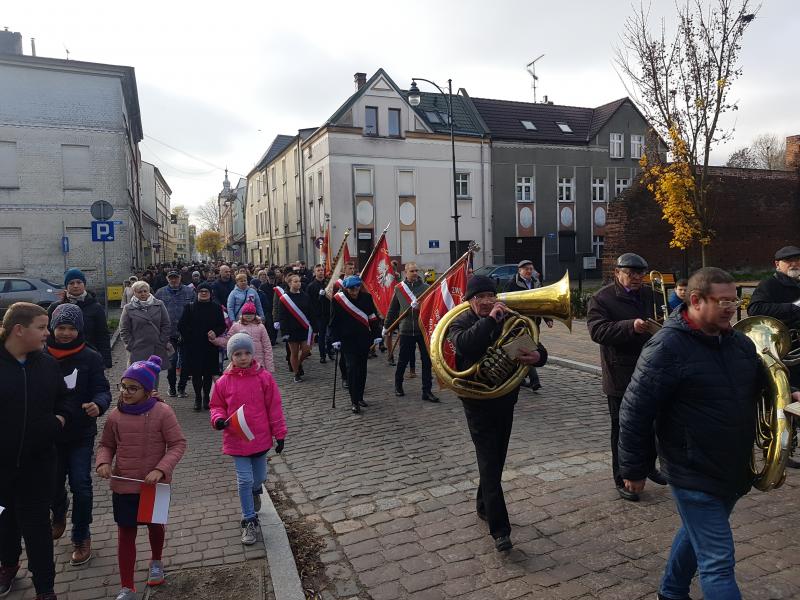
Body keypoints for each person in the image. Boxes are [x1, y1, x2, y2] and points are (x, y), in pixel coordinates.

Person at [619, 267, 793, 600]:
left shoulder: (740, 343)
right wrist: (633, 468)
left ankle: (671, 591)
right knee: (717, 560)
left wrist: (791, 394)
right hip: (692, 470)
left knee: (695, 533)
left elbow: (758, 384)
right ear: (696, 301)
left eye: (735, 300)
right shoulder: (665, 347)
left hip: (732, 467)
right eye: (723, 301)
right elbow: (635, 411)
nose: (732, 307)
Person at [447, 276, 548, 552]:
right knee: (490, 461)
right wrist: (490, 320)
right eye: (480, 297)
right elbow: (466, 345)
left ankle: (483, 504)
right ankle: (500, 530)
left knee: (497, 458)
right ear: (469, 300)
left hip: (505, 398)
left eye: (490, 295)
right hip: (477, 400)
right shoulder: (459, 322)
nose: (487, 301)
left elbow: (536, 346)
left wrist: (538, 356)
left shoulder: (509, 318)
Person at [95, 356, 187, 600]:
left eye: (132, 388)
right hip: (124, 486)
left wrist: (161, 469)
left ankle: (156, 560)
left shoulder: (163, 412)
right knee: (125, 533)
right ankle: (127, 587)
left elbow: (178, 444)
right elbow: (106, 444)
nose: (126, 392)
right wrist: (103, 462)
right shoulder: (115, 416)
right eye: (123, 386)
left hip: (153, 487)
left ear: (147, 390)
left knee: (155, 527)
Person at [0, 303, 71, 600]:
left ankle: (46, 589)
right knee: (4, 524)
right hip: (1, 468)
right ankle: (8, 563)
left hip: (38, 464)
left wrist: (59, 420)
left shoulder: (47, 364)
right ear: (19, 329)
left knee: (38, 530)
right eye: (41, 328)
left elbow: (63, 401)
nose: (47, 334)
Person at [586, 252, 666, 501]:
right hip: (621, 373)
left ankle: (646, 465)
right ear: (617, 273)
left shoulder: (651, 294)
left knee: (654, 423)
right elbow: (597, 331)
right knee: (622, 429)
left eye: (639, 274)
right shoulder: (602, 298)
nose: (636, 278)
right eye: (630, 274)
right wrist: (630, 326)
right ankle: (621, 477)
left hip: (652, 370)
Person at [46, 304, 111, 567]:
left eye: (71, 328)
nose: (65, 333)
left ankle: (81, 535)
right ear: (52, 327)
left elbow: (102, 390)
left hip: (80, 433)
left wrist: (99, 404)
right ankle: (58, 511)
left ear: (79, 329)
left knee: (82, 486)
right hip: (49, 435)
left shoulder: (90, 357)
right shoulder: (40, 356)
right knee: (51, 484)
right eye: (61, 327)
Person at [210, 333, 286, 545]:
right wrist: (218, 419)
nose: (242, 357)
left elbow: (274, 407)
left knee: (259, 477)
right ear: (230, 356)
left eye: (246, 353)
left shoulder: (264, 378)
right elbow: (216, 406)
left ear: (252, 354)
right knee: (244, 479)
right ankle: (249, 520)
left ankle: (255, 491)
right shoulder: (223, 382)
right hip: (236, 438)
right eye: (237, 354)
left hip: (260, 438)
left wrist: (279, 434)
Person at [384, 262, 438, 402]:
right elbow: (393, 309)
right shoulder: (399, 289)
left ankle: (427, 391)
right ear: (406, 272)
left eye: (416, 270)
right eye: (412, 271)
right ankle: (398, 385)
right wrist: (386, 326)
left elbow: (433, 308)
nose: (415, 273)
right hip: (406, 329)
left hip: (422, 329)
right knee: (403, 359)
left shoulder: (426, 288)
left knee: (427, 361)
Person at [329, 276, 382, 414]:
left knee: (362, 369)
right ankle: (354, 401)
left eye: (357, 287)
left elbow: (372, 317)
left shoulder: (367, 298)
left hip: (364, 339)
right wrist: (335, 339)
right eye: (351, 288)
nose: (354, 291)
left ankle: (360, 397)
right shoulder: (338, 300)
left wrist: (377, 334)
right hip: (347, 340)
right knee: (352, 368)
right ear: (346, 288)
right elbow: (334, 322)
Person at [504, 259, 553, 391]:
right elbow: (507, 304)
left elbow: (541, 303)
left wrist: (547, 318)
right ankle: (534, 380)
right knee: (526, 348)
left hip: (534, 324)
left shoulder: (537, 283)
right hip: (519, 324)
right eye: (526, 269)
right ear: (520, 271)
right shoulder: (512, 284)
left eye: (531, 269)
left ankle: (520, 377)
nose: (529, 271)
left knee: (527, 349)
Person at [48, 268, 112, 368]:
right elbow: (48, 333)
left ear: (84, 284)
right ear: (66, 286)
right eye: (71, 283)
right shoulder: (55, 307)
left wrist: (105, 361)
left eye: (79, 282)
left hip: (88, 358)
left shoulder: (95, 307)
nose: (75, 286)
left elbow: (102, 335)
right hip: (61, 358)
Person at [177, 282, 227, 410]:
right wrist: (190, 337)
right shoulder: (190, 307)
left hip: (210, 345)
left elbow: (222, 325)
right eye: (201, 291)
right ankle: (198, 398)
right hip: (194, 347)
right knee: (197, 374)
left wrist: (215, 332)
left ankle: (206, 398)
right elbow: (181, 325)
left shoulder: (216, 308)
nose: (204, 293)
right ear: (197, 293)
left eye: (206, 291)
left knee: (208, 373)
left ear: (210, 294)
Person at [154, 271, 195, 397]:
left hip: (186, 333)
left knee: (186, 362)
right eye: (171, 278)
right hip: (169, 334)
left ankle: (182, 388)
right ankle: (172, 387)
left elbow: (195, 311)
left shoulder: (189, 292)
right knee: (172, 362)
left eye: (175, 278)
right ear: (167, 279)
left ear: (180, 278)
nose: (173, 280)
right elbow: (155, 313)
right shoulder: (160, 293)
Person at [119, 282, 171, 378]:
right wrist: (130, 345)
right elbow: (124, 329)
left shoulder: (159, 304)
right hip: (138, 349)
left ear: (148, 291)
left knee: (153, 377)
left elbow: (166, 324)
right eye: (139, 292)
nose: (143, 294)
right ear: (134, 293)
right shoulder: (128, 308)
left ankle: (152, 393)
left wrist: (162, 341)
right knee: (137, 377)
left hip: (156, 347)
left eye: (145, 291)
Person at [210, 301, 273, 372]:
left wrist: (269, 367)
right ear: (242, 314)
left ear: (255, 315)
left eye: (251, 314)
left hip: (259, 363)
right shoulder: (236, 326)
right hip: (240, 362)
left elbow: (267, 347)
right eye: (246, 313)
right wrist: (215, 340)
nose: (248, 316)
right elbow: (228, 340)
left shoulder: (261, 327)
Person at [276, 273, 313, 383]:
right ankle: (296, 373)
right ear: (290, 283)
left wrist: (315, 327)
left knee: (306, 350)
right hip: (292, 330)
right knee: (294, 353)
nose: (298, 283)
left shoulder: (305, 296)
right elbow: (282, 316)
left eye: (299, 281)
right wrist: (284, 332)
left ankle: (299, 363)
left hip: (304, 328)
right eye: (295, 281)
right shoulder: (284, 299)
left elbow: (311, 312)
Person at [306, 264, 331, 363]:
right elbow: (310, 302)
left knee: (330, 334)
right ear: (315, 272)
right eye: (318, 270)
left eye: (322, 270)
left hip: (329, 312)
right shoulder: (311, 286)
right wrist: (319, 297)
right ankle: (322, 355)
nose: (320, 272)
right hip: (319, 315)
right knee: (322, 335)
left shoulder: (327, 284)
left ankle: (330, 351)